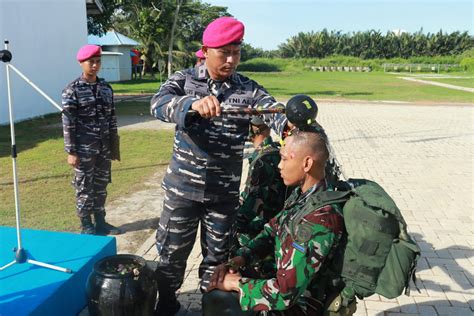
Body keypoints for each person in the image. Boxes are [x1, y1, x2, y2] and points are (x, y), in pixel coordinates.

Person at [150, 16, 288, 315]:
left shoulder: (247, 89)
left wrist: (290, 127)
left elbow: (273, 110)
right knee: (171, 258)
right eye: (223, 52)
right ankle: (168, 302)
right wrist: (190, 105)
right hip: (182, 192)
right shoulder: (184, 80)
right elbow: (157, 103)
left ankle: (208, 307)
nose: (230, 60)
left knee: (217, 261)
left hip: (222, 198)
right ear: (206, 50)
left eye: (236, 52)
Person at [203, 128, 346, 316]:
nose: (279, 165)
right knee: (218, 288)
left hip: (302, 303)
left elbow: (285, 293)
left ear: (307, 163)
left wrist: (237, 284)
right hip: (286, 283)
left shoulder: (320, 219)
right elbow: (271, 232)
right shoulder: (302, 196)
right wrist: (239, 260)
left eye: (285, 159)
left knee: (219, 301)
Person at [61, 44, 122, 236]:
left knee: (101, 185)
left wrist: (113, 146)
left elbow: (112, 118)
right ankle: (86, 224)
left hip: (103, 146)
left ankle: (101, 221)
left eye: (98, 62)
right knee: (84, 186)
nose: (95, 66)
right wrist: (71, 151)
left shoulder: (105, 88)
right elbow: (67, 123)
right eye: (91, 62)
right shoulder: (72, 91)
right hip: (83, 148)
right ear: (81, 63)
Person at [232, 116, 287, 278]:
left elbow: (251, 205)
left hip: (263, 227)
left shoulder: (262, 159)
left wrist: (232, 223)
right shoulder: (275, 151)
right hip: (276, 222)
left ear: (252, 130)